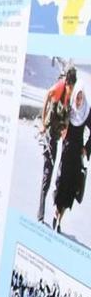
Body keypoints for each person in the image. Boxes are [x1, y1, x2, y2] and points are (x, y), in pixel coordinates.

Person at [38, 66, 76, 224]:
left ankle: (42, 212)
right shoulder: (60, 86)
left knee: (51, 172)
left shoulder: (69, 94)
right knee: (48, 172)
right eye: (70, 87)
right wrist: (42, 121)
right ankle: (40, 214)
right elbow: (47, 95)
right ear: (67, 83)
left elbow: (67, 116)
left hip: (56, 137)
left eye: (73, 88)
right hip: (49, 136)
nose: (71, 90)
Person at [52, 81, 91, 233]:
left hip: (76, 155)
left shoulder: (86, 112)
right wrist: (60, 131)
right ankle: (56, 211)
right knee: (61, 182)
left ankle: (59, 219)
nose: (79, 100)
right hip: (66, 151)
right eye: (77, 97)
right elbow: (60, 122)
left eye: (81, 97)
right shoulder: (70, 110)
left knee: (70, 187)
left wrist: (86, 149)